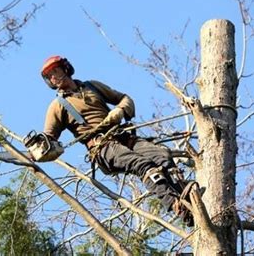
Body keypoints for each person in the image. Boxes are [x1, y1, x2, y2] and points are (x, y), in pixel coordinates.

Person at [40, 55, 194, 226]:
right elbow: (48, 139)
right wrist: (37, 151)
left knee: (162, 155)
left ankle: (188, 197)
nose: (53, 77)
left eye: (55, 71)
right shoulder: (58, 105)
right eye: (49, 76)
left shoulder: (92, 86)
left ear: (65, 68)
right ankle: (177, 205)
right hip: (102, 147)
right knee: (142, 164)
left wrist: (120, 110)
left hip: (123, 137)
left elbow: (125, 98)